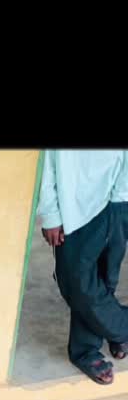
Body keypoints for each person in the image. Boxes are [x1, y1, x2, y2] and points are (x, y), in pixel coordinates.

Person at [38, 149, 128, 384]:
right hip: (74, 208)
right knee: (76, 283)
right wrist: (50, 214)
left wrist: (122, 196)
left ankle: (86, 349)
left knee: (106, 277)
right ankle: (118, 329)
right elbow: (47, 165)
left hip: (118, 200)